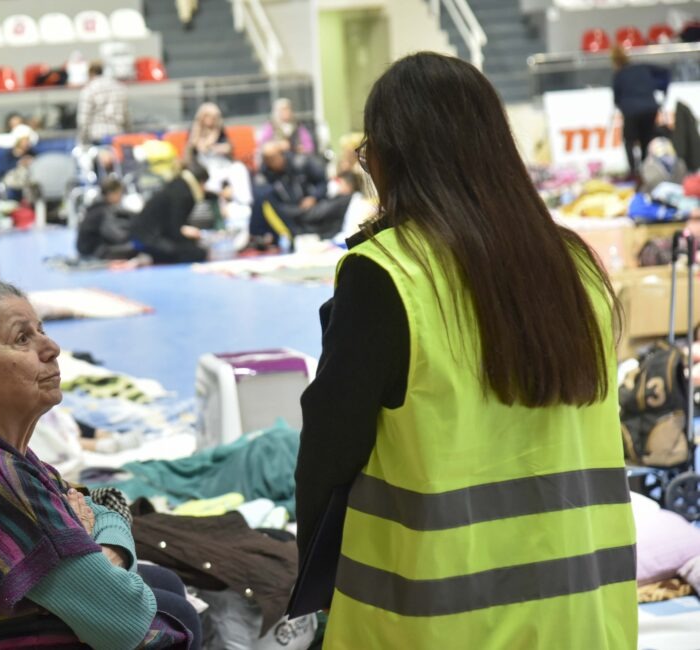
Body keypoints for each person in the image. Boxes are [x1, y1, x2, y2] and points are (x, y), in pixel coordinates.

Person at [291, 52, 636, 648]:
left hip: (437, 625)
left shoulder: (387, 275)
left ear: (396, 158)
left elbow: (328, 456)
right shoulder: (577, 266)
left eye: (370, 157)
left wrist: (313, 585)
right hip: (584, 618)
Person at [0, 281, 198, 648]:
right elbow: (127, 619)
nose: (52, 348)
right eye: (22, 338)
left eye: (41, 330)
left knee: (165, 585)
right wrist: (108, 550)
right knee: (175, 617)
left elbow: (97, 506)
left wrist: (95, 542)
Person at [250, 140, 332, 246]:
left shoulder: (300, 162)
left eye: (274, 157)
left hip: (310, 208)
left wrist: (314, 197)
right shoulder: (264, 176)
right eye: (268, 159)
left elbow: (322, 182)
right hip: (287, 214)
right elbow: (266, 202)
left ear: (282, 154)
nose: (272, 162)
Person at [130, 162, 210, 264]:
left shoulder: (177, 186)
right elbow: (175, 228)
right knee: (197, 253)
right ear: (200, 182)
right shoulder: (184, 193)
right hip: (149, 239)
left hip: (145, 235)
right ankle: (149, 258)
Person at [613, 45, 670, 178]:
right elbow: (666, 71)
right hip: (650, 108)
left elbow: (616, 98)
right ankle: (645, 170)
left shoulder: (619, 74)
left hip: (631, 110)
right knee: (646, 139)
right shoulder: (643, 67)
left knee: (629, 141)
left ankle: (633, 171)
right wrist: (663, 90)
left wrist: (625, 108)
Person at [77, 176, 138, 260]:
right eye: (119, 193)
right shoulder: (103, 211)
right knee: (137, 249)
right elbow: (117, 236)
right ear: (111, 194)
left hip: (87, 249)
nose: (121, 197)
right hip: (95, 251)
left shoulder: (96, 206)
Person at [77, 62, 131, 145]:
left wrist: (82, 141)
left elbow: (83, 120)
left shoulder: (89, 89)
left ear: (90, 73)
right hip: (118, 135)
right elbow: (126, 116)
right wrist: (128, 135)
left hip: (97, 137)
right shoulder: (120, 88)